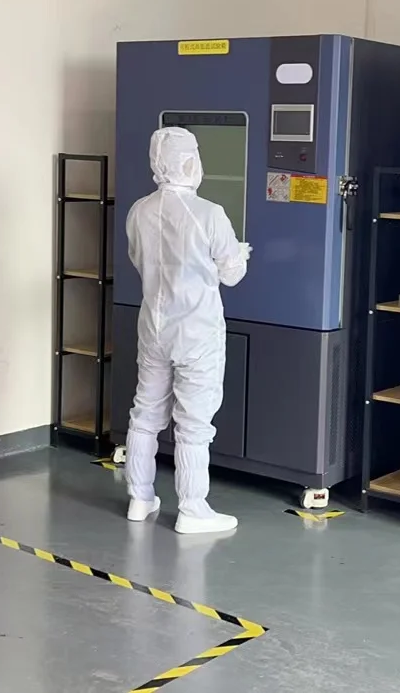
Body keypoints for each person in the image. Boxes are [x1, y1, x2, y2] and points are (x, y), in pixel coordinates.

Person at [123, 126, 251, 534]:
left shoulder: (139, 210)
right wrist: (237, 255)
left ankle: (140, 498)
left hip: (154, 326)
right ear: (190, 162)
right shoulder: (209, 213)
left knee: (145, 413)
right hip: (196, 332)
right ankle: (193, 509)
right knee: (194, 424)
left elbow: (139, 259)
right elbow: (232, 274)